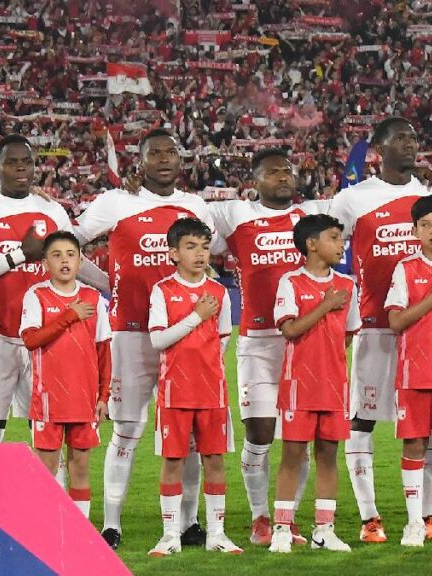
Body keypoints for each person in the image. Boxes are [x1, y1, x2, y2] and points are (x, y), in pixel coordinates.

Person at [74, 129, 213, 548]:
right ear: (142, 160)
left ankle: (189, 523)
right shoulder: (117, 202)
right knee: (128, 429)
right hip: (131, 336)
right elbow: (67, 243)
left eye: (172, 151)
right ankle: (111, 524)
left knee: (188, 433)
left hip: (186, 336)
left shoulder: (194, 206)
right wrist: (106, 284)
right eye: (156, 152)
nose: (165, 158)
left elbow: (209, 258)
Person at [328, 117, 432, 542]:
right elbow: (326, 248)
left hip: (429, 334)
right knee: (361, 422)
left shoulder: (429, 196)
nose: (410, 144)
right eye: (400, 138)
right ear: (378, 148)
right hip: (377, 329)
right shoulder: (352, 199)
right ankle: (369, 519)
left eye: (414, 137)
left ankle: (429, 517)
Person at [0, 134, 108, 448]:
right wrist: (19, 255)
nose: (21, 169)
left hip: (45, 337)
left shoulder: (51, 209)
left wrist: (111, 283)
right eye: (12, 162)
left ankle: (48, 495)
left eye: (27, 162)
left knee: (48, 425)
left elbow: (74, 257)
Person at [209, 148, 325, 545]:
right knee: (259, 432)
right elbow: (186, 215)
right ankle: (260, 517)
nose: (283, 176)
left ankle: (286, 518)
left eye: (288, 171)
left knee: (299, 436)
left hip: (306, 341)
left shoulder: (312, 216)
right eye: (273, 172)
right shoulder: (234, 214)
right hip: (258, 342)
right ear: (254, 182)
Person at [147, 218, 240, 556]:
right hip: (174, 393)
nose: (200, 254)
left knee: (214, 460)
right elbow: (158, 339)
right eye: (191, 247)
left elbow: (224, 339)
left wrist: (204, 365)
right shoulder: (163, 291)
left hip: (212, 392)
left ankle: (217, 533)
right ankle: (170, 535)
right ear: (173, 253)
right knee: (173, 461)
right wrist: (196, 317)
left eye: (204, 246)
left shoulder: (219, 292)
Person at [269, 214, 358, 553]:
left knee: (328, 456)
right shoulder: (291, 282)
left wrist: (327, 359)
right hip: (298, 387)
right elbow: (289, 329)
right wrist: (324, 306)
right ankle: (282, 528)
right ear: (311, 244)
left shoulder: (347, 285)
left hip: (334, 386)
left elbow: (348, 333)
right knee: (292, 456)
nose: (341, 245)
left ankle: (324, 530)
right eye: (334, 238)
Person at [19, 231, 111, 517]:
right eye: (56, 256)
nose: (64, 261)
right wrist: (69, 316)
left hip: (84, 399)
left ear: (81, 261)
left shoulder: (93, 298)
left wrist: (104, 396)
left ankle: (79, 528)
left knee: (80, 465)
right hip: (49, 400)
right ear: (45, 263)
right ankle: (44, 525)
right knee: (45, 465)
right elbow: (31, 340)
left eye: (70, 255)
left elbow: (104, 351)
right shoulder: (37, 295)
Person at [383, 195, 432, 547]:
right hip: (414, 375)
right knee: (413, 444)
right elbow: (395, 321)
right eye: (425, 224)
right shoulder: (406, 268)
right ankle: (414, 523)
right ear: (414, 231)